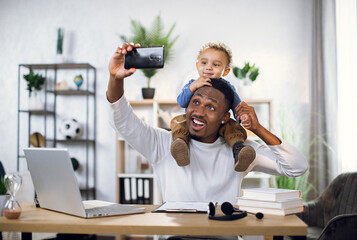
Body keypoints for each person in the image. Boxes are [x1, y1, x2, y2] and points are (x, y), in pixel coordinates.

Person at [107, 42, 308, 205]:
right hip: (177, 237)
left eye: (211, 107)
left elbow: (296, 167)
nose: (198, 112)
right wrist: (115, 78)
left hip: (225, 235)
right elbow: (123, 121)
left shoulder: (242, 151)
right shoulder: (162, 143)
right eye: (195, 102)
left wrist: (257, 128)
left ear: (225, 117)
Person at [170, 42, 255, 172]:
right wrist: (193, 86)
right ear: (197, 65)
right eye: (204, 63)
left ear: (225, 71)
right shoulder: (193, 83)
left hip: (219, 124)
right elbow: (181, 102)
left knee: (233, 127)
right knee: (179, 121)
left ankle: (239, 150)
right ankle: (180, 144)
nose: (208, 68)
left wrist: (242, 117)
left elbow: (237, 107)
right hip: (193, 123)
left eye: (215, 65)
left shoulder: (228, 88)